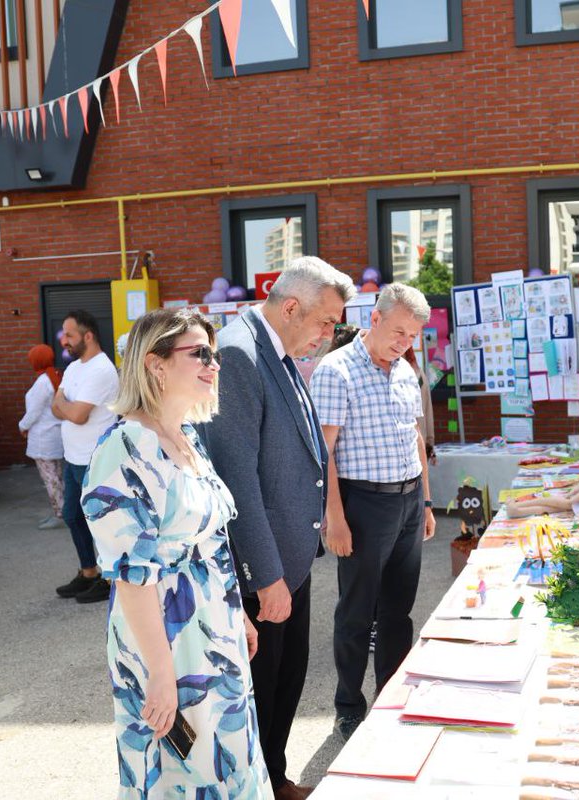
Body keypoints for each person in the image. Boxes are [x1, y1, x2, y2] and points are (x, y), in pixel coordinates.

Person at [81, 308, 270, 798]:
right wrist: (161, 675)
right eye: (200, 353)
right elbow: (131, 576)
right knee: (182, 771)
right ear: (156, 363)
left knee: (229, 760)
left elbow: (212, 540)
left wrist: (236, 614)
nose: (214, 364)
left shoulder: (186, 438)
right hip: (164, 639)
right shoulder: (124, 449)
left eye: (214, 354)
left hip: (213, 630)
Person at [202, 256, 353, 800]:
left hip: (291, 558)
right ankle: (260, 787)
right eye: (325, 321)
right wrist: (265, 577)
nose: (328, 334)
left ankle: (275, 778)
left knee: (286, 681)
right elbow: (237, 478)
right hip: (263, 569)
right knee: (260, 690)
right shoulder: (240, 354)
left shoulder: (278, 350)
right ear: (291, 307)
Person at [311, 283, 437, 740]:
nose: (405, 342)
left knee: (398, 613)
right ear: (376, 318)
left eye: (413, 335)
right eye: (399, 331)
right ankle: (348, 706)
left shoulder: (404, 370)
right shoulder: (336, 370)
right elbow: (322, 452)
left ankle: (390, 698)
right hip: (363, 503)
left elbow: (415, 440)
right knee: (357, 612)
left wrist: (425, 502)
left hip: (408, 501)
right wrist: (335, 518)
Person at [51, 310, 119, 604]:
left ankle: (110, 578)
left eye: (69, 335)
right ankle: (89, 572)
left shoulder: (101, 369)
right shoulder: (73, 368)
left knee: (101, 521)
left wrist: (64, 405)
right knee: (73, 516)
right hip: (73, 457)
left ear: (88, 336)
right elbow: (55, 407)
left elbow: (77, 415)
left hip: (95, 458)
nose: (63, 340)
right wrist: (65, 405)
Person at [19, 344, 65, 530]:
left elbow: (34, 412)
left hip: (43, 438)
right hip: (55, 435)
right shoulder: (56, 376)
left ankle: (60, 514)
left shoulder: (42, 382)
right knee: (57, 477)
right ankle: (63, 510)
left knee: (50, 479)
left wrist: (22, 426)